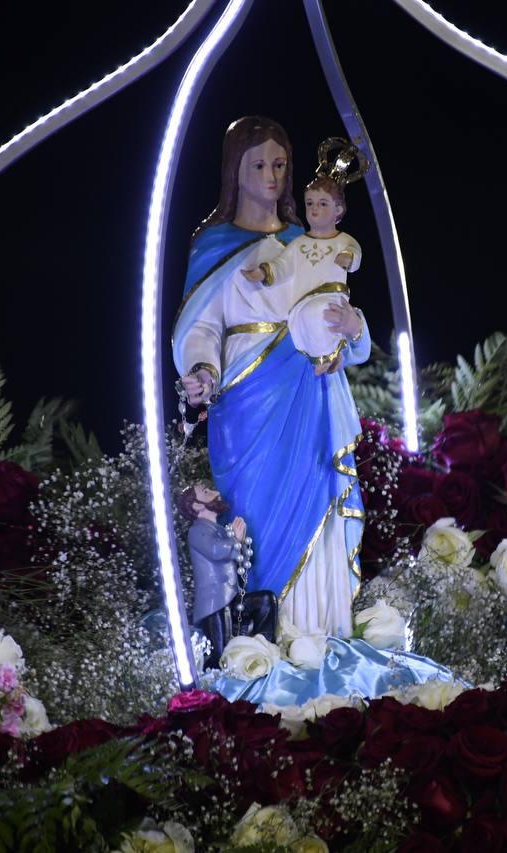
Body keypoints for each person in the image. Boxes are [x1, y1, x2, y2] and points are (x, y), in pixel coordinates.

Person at [171, 117, 370, 638]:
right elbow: (202, 326)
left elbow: (335, 309)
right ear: (234, 170)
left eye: (279, 163)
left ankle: (315, 627)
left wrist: (353, 331)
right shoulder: (214, 245)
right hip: (245, 399)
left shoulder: (308, 240)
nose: (271, 174)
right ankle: (254, 641)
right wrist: (201, 371)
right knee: (250, 517)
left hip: (307, 389)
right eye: (258, 163)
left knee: (312, 494)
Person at [242, 174, 362, 371]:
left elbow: (354, 252)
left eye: (323, 204)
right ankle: (320, 358)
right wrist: (264, 273)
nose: (314, 208)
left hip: (329, 295)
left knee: (321, 315)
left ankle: (330, 355)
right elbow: (282, 265)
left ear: (338, 210)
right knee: (302, 322)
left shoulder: (342, 240)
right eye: (310, 203)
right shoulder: (299, 244)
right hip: (302, 300)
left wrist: (348, 258)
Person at [176, 482, 275, 667]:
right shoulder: (196, 531)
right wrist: (235, 540)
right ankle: (215, 687)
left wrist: (241, 542)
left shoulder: (222, 531)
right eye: (206, 492)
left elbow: (242, 560)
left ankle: (265, 650)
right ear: (197, 505)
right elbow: (215, 551)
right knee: (218, 655)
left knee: (266, 600)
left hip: (232, 598)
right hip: (214, 605)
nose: (215, 493)